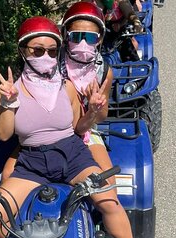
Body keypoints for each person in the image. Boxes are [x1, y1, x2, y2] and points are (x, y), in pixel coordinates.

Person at [0, 16, 133, 238]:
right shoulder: (9, 91)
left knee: (109, 201)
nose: (46, 56)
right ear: (23, 51)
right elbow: (4, 134)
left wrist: (92, 112)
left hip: (72, 155)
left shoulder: (68, 87)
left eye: (52, 51)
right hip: (32, 162)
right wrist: (7, 104)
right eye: (37, 51)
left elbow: (78, 127)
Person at [60, 1, 116, 185]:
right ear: (65, 35)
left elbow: (102, 116)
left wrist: (94, 109)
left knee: (108, 184)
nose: (82, 43)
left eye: (90, 38)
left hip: (87, 131)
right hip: (54, 129)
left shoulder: (103, 71)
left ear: (99, 39)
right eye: (76, 36)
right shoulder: (53, 63)